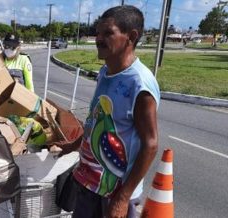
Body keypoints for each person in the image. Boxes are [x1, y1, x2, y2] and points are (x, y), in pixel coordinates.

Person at [54, 5, 160, 218]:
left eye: (108, 33)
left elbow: (151, 144)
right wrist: (73, 146)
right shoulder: (105, 72)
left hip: (115, 193)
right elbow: (96, 122)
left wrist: (122, 198)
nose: (99, 39)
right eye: (98, 33)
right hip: (89, 183)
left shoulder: (139, 84)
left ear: (131, 37)